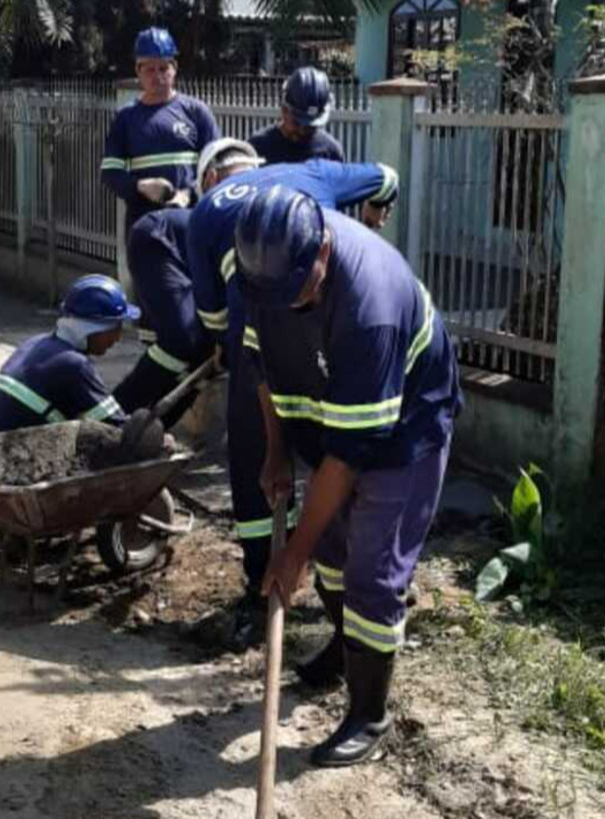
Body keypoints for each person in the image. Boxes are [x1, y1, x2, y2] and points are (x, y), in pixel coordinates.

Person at [234, 186, 462, 767]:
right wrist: (276, 452)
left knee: (371, 571)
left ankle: (368, 713)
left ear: (324, 253)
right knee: (333, 553)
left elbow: (348, 458)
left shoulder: (370, 308)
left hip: (404, 423)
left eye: (296, 292)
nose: (285, 305)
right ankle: (345, 646)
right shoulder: (266, 271)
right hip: (330, 405)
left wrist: (292, 554)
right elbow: (263, 366)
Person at [187, 138, 399, 650]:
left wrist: (225, 349)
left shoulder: (204, 213)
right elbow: (387, 177)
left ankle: (266, 578)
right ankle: (343, 558)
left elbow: (214, 316)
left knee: (254, 457)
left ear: (211, 178)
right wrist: (373, 214)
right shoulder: (314, 174)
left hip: (257, 339)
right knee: (341, 446)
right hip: (324, 333)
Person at [0, 275, 139, 436]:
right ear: (91, 329)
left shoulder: (36, 343)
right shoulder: (73, 365)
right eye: (115, 329)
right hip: (8, 461)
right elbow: (118, 430)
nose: (118, 338)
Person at [100, 27, 220, 238]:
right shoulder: (125, 119)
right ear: (138, 71)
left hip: (192, 223)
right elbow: (110, 174)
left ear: (174, 68)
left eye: (164, 68)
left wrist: (188, 193)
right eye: (150, 69)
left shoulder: (196, 112)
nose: (158, 76)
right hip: (145, 227)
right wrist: (140, 186)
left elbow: (216, 166)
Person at [111, 208, 214, 422]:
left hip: (190, 255)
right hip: (160, 239)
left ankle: (155, 430)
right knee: (180, 340)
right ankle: (113, 418)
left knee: (206, 351)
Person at [249, 67, 345, 165]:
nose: (302, 131)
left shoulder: (331, 153)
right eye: (297, 123)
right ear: (284, 110)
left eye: (310, 127)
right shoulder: (257, 148)